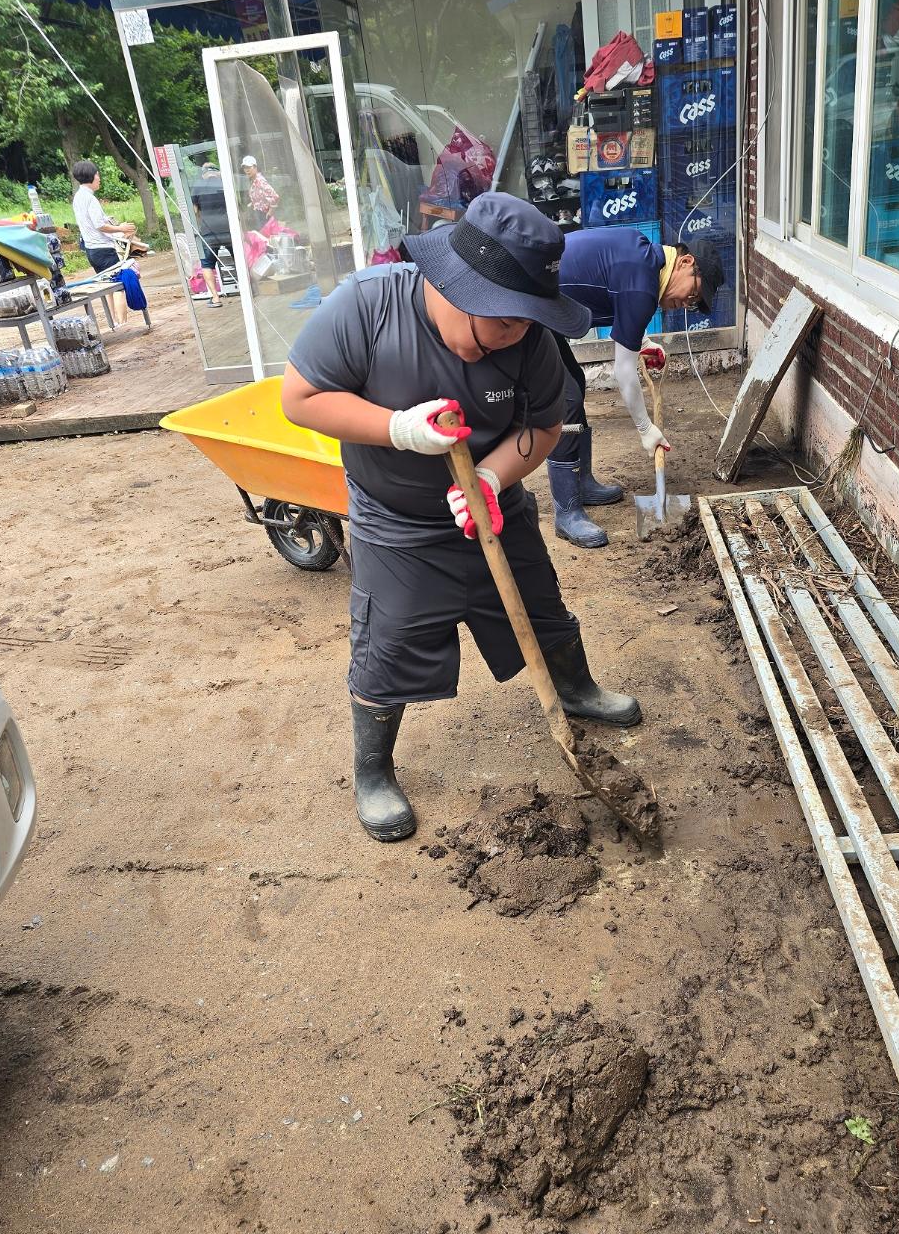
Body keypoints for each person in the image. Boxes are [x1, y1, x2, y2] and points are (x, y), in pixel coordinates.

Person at [282, 192, 642, 843]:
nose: (514, 337)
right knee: (386, 644)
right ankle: (373, 770)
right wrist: (393, 427)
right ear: (459, 288)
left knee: (540, 606)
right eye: (502, 323)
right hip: (395, 517)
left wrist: (490, 477)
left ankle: (577, 690)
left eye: (525, 324)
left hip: (490, 507)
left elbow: (546, 423)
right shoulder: (367, 308)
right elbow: (299, 398)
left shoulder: (528, 336)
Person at [549, 228, 726, 547]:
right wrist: (645, 429)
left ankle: (583, 483)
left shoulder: (645, 261)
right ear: (686, 262)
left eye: (695, 303)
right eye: (694, 294)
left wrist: (642, 343)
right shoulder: (643, 284)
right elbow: (623, 370)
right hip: (534, 304)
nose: (688, 304)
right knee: (567, 396)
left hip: (548, 302)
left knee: (572, 382)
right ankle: (567, 512)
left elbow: (616, 302)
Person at [71, 160, 135, 324]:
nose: (99, 178)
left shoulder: (78, 197)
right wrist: (120, 228)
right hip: (104, 249)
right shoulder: (91, 200)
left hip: (91, 250)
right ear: (91, 176)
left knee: (106, 286)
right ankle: (122, 322)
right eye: (97, 174)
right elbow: (99, 225)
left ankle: (113, 320)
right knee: (119, 285)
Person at [192, 163, 231, 309]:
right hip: (228, 228)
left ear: (204, 174)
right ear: (218, 172)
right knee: (238, 260)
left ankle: (215, 297)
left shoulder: (197, 186)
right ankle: (250, 291)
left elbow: (195, 211)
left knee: (207, 264)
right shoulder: (225, 184)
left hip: (208, 230)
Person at [241, 155, 279, 227]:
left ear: (255, 167)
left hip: (264, 215)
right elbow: (261, 196)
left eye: (249, 167)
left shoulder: (260, 181)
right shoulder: (254, 181)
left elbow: (275, 196)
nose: (247, 170)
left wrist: (270, 211)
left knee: (265, 236)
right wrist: (252, 203)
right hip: (258, 214)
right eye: (245, 168)